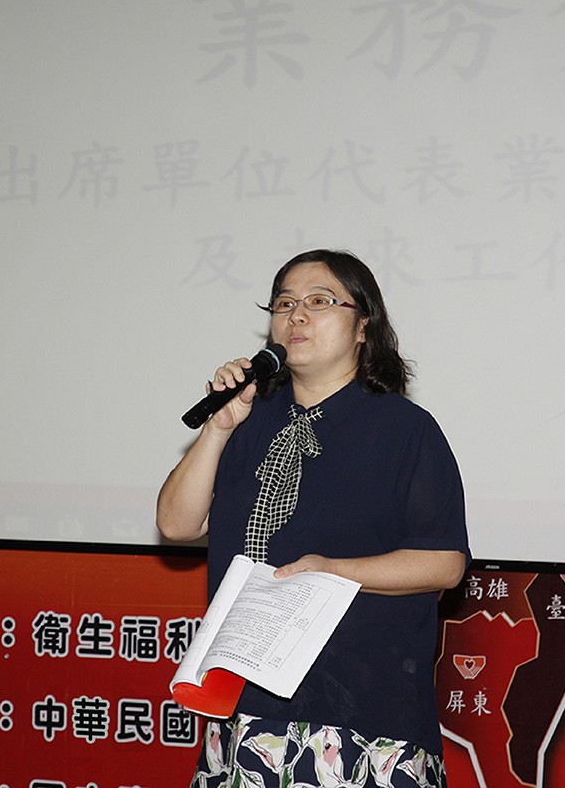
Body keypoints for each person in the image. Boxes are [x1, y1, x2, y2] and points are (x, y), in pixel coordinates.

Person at [157, 249, 469, 788]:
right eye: (284, 304)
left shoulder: (404, 429)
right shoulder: (248, 421)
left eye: (320, 301)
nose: (297, 315)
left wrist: (333, 570)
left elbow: (444, 564)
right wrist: (219, 427)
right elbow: (176, 524)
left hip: (362, 715)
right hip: (243, 709)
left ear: (363, 326)